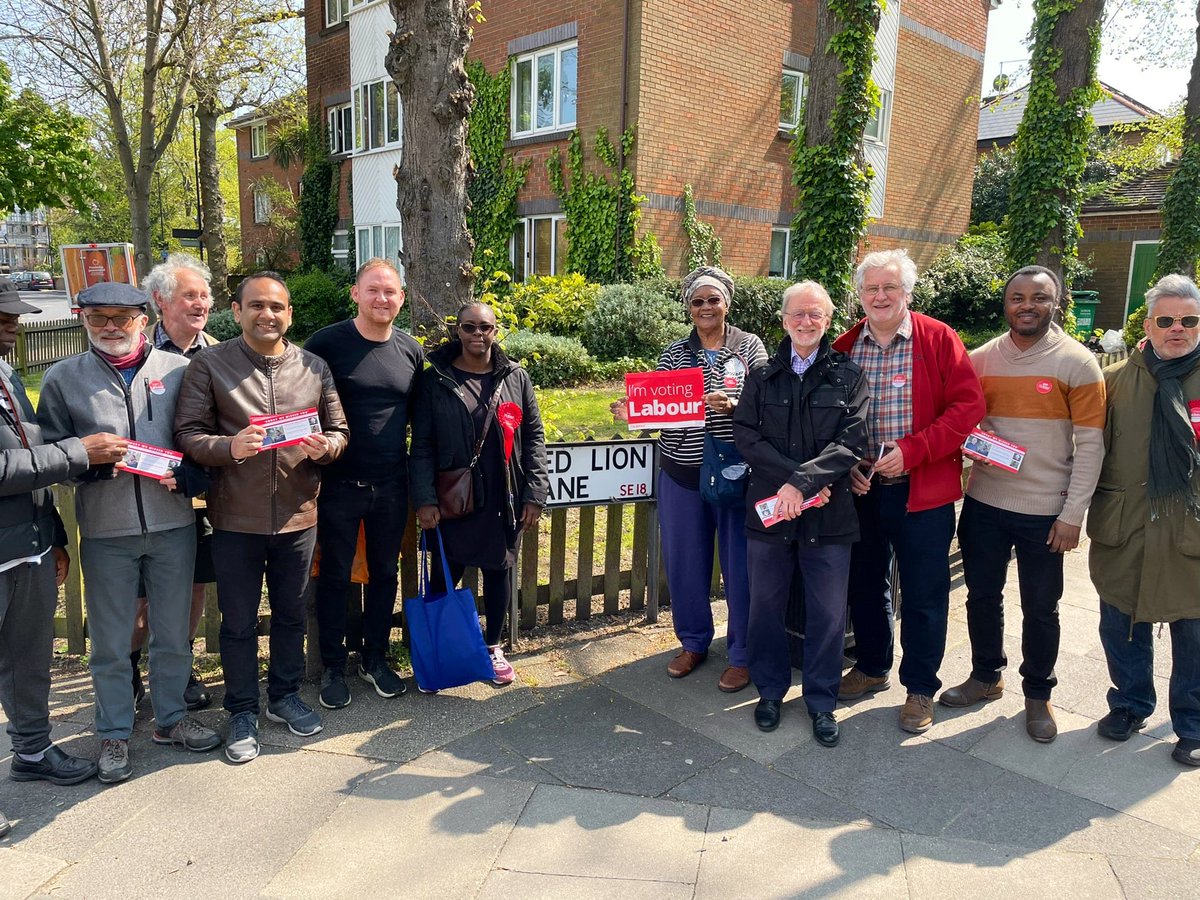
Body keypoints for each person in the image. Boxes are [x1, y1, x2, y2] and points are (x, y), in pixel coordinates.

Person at [38, 282, 222, 784]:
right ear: (83, 320)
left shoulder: (181, 371)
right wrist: (87, 465)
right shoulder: (62, 378)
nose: (112, 327)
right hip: (106, 529)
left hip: (173, 524)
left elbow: (200, 437)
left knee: (172, 632)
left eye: (123, 317)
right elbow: (51, 455)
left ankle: (171, 719)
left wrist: (191, 473)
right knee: (113, 642)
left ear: (146, 318)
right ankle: (114, 733)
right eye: (99, 318)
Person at [175, 272, 348, 763]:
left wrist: (328, 446)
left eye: (276, 307)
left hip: (299, 515)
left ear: (289, 313)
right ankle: (243, 710)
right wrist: (227, 447)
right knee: (238, 623)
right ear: (237, 309)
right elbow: (187, 433)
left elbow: (339, 429)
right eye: (256, 306)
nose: (267, 314)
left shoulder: (313, 367)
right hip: (235, 519)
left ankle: (284, 696)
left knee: (293, 614)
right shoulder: (211, 365)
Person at [940, 266, 1105, 743]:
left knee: (1041, 607)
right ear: (1006, 303)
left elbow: (1092, 445)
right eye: (1017, 297)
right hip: (985, 501)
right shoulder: (981, 359)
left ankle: (1038, 694)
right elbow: (958, 420)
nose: (1026, 305)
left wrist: (1074, 514)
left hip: (1045, 510)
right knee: (982, 597)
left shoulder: (1078, 363)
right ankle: (987, 675)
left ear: (1056, 302)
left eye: (1039, 297)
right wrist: (970, 441)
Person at [832, 249, 985, 734]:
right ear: (859, 295)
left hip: (923, 492)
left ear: (907, 293)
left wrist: (915, 450)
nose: (880, 296)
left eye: (890, 288)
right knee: (865, 583)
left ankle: (920, 687)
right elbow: (827, 419)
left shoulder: (938, 339)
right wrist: (847, 465)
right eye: (872, 288)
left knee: (924, 592)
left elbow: (967, 407)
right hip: (862, 491)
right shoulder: (844, 347)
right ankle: (873, 667)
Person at [0, 279, 124, 834]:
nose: (15, 326)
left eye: (15, 317)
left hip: (25, 545)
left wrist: (52, 535)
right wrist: (81, 451)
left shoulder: (5, 376)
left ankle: (30, 752)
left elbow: (27, 453)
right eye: (3, 318)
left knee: (30, 660)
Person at [611, 266, 768, 692]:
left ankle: (741, 654)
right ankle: (694, 642)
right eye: (697, 301)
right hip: (680, 472)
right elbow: (660, 408)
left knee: (740, 567)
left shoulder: (748, 347)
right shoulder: (673, 353)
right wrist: (635, 413)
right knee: (684, 564)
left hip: (734, 473)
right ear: (688, 307)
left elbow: (768, 400)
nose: (705, 308)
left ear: (727, 303)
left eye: (712, 299)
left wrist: (735, 403)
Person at [732, 282, 869, 742]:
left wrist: (803, 483)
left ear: (828, 321)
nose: (806, 322)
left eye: (815, 315)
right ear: (784, 319)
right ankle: (769, 690)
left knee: (828, 614)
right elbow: (746, 436)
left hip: (829, 518)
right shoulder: (762, 375)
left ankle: (821, 701)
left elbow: (851, 443)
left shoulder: (848, 375)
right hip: (771, 512)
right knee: (765, 607)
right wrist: (795, 482)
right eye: (797, 315)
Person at [1088, 273, 1200, 767]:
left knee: (1193, 633)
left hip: (1189, 530)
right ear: (1148, 324)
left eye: (1190, 320)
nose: (1178, 329)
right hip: (1126, 525)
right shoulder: (1114, 382)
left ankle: (1192, 723)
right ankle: (1131, 705)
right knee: (1121, 622)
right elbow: (1086, 450)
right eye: (1167, 320)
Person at [305, 258, 424, 709]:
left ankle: (375, 658)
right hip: (337, 484)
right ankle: (334, 666)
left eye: (390, 292)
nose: (381, 298)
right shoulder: (326, 345)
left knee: (383, 575)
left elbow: (422, 420)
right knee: (334, 576)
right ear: (355, 294)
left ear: (401, 298)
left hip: (391, 485)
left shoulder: (410, 352)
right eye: (372, 290)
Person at [410, 302, 547, 686]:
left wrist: (534, 493)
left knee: (498, 571)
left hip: (503, 496)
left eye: (485, 328)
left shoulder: (515, 377)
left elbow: (534, 437)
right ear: (457, 330)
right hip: (452, 499)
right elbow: (420, 444)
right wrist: (424, 499)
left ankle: (492, 647)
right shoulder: (434, 378)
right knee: (443, 576)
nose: (477, 335)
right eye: (469, 327)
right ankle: (441, 650)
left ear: (495, 330)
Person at [128, 253, 221, 712]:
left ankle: (180, 668)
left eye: (204, 295)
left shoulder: (220, 352)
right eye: (190, 295)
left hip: (203, 491)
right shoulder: (137, 354)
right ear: (161, 300)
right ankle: (129, 669)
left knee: (194, 586)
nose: (200, 303)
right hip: (145, 494)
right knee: (140, 596)